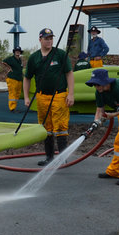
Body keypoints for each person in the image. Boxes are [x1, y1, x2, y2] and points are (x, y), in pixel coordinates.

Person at [24, 28, 75, 166]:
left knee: (61, 126)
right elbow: (27, 78)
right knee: (46, 127)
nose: (49, 41)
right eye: (46, 38)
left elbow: (69, 73)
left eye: (51, 38)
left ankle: (62, 158)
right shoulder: (34, 58)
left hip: (59, 95)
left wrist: (71, 94)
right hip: (42, 97)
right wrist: (26, 97)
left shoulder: (60, 54)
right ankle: (49, 157)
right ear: (40, 40)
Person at [1, 46, 24, 111]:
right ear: (14, 52)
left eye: (19, 51)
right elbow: (3, 62)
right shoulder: (11, 59)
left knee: (17, 93)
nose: (17, 52)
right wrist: (9, 68)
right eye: (16, 51)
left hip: (19, 79)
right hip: (12, 78)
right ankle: (12, 108)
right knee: (13, 93)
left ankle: (14, 106)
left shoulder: (19, 60)